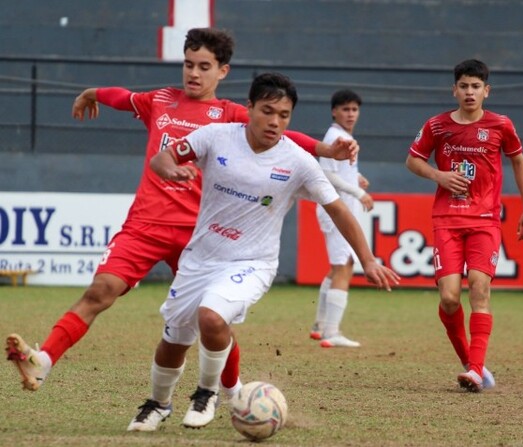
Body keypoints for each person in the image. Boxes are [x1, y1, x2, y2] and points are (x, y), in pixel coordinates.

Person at [4, 28, 357, 401]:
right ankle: (42, 361)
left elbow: (283, 135)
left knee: (212, 321)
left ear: (222, 72)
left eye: (204, 66)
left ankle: (232, 391)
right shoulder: (160, 100)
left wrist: (324, 149)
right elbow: (124, 98)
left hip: (199, 236)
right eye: (188, 64)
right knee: (100, 291)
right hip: (146, 224)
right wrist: (91, 93)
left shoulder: (231, 114)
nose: (193, 73)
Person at [127, 72, 400, 431]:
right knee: (174, 339)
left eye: (284, 115)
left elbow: (339, 210)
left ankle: (206, 392)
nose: (274, 122)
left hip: (251, 263)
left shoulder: (298, 161)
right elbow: (161, 158)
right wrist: (172, 170)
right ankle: (158, 404)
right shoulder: (216, 136)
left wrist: (367, 260)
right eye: (267, 111)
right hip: (201, 257)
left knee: (211, 317)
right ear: (249, 108)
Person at [405, 59, 523, 392]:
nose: (469, 92)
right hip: (447, 220)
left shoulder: (501, 125)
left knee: (479, 288)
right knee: (450, 298)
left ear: (486, 91)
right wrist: (438, 175)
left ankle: (476, 371)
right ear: (454, 89)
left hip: (484, 220)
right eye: (463, 86)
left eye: (476, 86)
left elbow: (518, 161)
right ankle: (470, 362)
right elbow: (412, 160)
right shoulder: (437, 126)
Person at [310, 89, 374, 348]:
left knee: (337, 266)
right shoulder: (335, 136)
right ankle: (331, 332)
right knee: (344, 266)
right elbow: (325, 174)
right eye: (345, 109)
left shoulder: (343, 136)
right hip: (336, 210)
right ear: (334, 111)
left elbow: (338, 172)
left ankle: (319, 325)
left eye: (354, 109)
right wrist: (359, 192)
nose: (350, 114)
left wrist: (355, 178)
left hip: (339, 209)